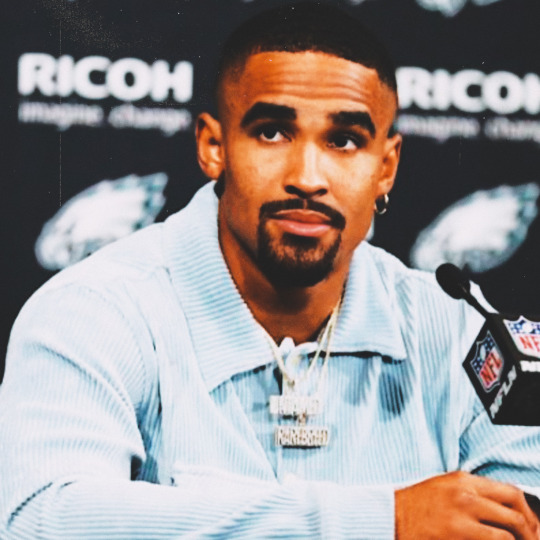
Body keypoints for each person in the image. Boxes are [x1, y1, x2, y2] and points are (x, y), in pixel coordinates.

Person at [1, 2, 540, 538]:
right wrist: (382, 522)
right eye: (273, 133)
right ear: (214, 147)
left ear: (386, 167)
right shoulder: (94, 311)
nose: (308, 177)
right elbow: (40, 520)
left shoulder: (458, 331)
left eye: (344, 141)